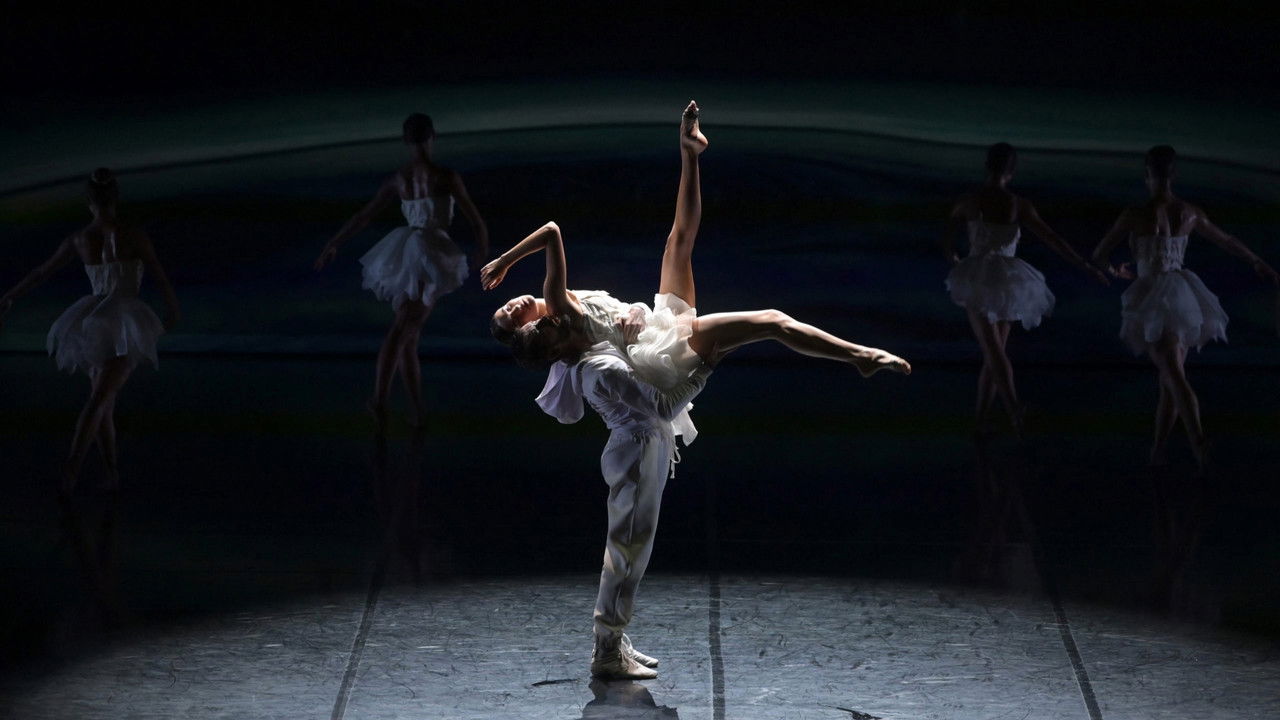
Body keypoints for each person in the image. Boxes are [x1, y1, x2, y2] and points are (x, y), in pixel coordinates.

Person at [483, 102, 910, 679]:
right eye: (514, 319)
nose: (513, 306)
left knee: (680, 243)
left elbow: (593, 281)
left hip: (655, 339)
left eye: (510, 306)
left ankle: (690, 154)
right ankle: (858, 356)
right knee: (770, 322)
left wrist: (633, 310)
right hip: (662, 367)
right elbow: (556, 237)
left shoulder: (568, 309)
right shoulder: (564, 320)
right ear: (540, 333)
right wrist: (509, 260)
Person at [1091, 145, 1278, 470]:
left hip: (1153, 296)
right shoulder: (1190, 212)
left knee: (1174, 377)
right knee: (1169, 381)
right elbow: (1227, 240)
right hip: (1182, 296)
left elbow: (1100, 254)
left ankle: (1197, 440)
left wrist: (1116, 271)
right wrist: (1257, 261)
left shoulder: (1133, 214)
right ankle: (1158, 452)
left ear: (1147, 175)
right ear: (1173, 175)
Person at [0, 168, 180, 497]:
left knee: (103, 401)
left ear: (89, 203)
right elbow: (157, 272)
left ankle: (111, 473)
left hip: (93, 319)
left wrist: (9, 296)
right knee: (100, 400)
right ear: (115, 198)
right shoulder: (132, 233)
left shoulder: (80, 238)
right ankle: (72, 469)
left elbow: (40, 272)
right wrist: (172, 308)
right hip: (121, 320)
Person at [314, 113, 488, 430]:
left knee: (409, 335)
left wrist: (334, 242)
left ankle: (417, 411)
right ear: (432, 137)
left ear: (407, 141)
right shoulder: (446, 175)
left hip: (408, 248)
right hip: (430, 251)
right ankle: (380, 400)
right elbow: (475, 219)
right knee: (404, 328)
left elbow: (364, 216)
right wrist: (482, 250)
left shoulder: (400, 178)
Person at [943, 142, 1108, 437]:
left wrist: (952, 255)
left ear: (987, 167)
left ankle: (1011, 410)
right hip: (1007, 278)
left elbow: (947, 234)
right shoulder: (1019, 204)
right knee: (996, 353)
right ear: (1012, 171)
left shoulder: (970, 200)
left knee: (993, 353)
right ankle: (986, 420)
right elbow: (1054, 240)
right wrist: (1084, 265)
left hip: (979, 276)